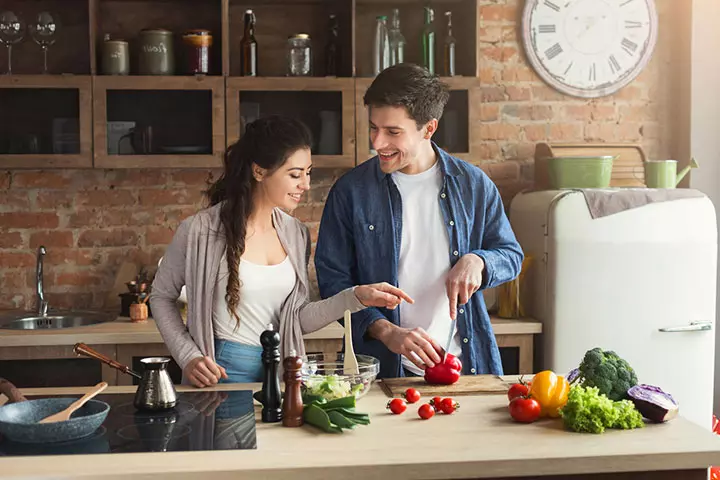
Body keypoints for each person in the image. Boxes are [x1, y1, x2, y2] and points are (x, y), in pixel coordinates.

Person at [150, 115, 413, 388]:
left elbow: (297, 318)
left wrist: (356, 297)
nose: (306, 185)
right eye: (295, 174)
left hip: (283, 370)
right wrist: (188, 356)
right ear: (260, 172)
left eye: (308, 173)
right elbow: (161, 296)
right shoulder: (200, 231)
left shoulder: (296, 234)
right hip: (223, 371)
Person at [314, 64, 524, 379]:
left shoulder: (474, 186)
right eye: (374, 127)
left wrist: (478, 261)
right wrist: (385, 330)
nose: (377, 143)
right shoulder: (351, 192)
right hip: (382, 372)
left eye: (393, 132)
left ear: (428, 129)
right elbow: (333, 282)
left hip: (464, 367)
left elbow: (511, 255)